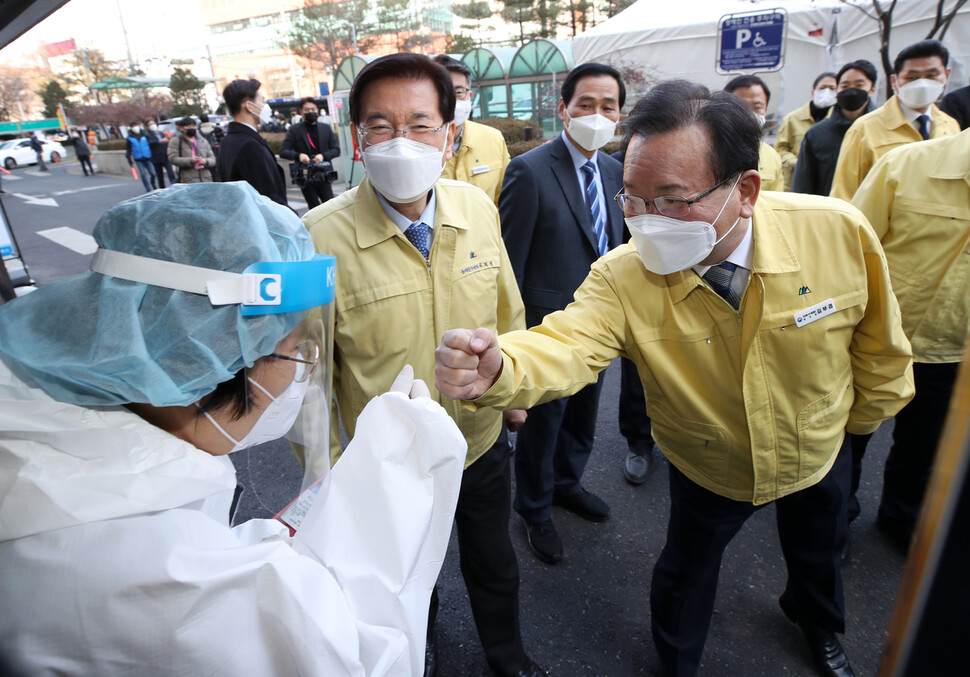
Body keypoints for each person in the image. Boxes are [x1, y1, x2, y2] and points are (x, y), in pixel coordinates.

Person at [435, 80, 915, 677]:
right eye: (631, 198)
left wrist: (848, 432)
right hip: (708, 463)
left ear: (745, 190)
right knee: (686, 571)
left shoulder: (837, 232)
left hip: (818, 450)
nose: (645, 221)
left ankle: (820, 628)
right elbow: (568, 342)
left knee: (819, 554)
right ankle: (676, 658)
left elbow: (881, 351)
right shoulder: (622, 274)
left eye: (671, 198)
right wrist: (502, 365)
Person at [0, 182, 467, 676]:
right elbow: (352, 656)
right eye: (293, 348)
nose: (302, 371)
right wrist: (399, 479)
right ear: (207, 362)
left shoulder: (47, 417)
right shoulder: (161, 574)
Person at [303, 53, 546, 677]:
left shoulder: (476, 207)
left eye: (418, 124)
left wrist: (515, 392)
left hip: (478, 437)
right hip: (386, 458)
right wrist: (327, 471)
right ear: (358, 140)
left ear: (449, 134)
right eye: (380, 126)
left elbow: (509, 310)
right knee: (404, 573)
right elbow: (308, 378)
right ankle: (417, 651)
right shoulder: (316, 237)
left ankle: (508, 655)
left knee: (494, 560)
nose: (400, 140)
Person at [499, 62, 626, 565]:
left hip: (599, 326)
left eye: (608, 106)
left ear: (620, 113)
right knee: (542, 424)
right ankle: (533, 507)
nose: (597, 114)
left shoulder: (617, 170)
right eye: (586, 104)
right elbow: (509, 263)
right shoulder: (529, 171)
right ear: (563, 109)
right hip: (547, 328)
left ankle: (566, 484)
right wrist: (515, 338)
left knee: (583, 415)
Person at [850, 128, 970, 553]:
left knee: (923, 447)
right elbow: (852, 247)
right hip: (877, 338)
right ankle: (835, 521)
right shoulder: (907, 165)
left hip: (953, 350)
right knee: (851, 435)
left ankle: (900, 519)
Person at [830, 39, 960, 201]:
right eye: (912, 77)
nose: (922, 84)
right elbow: (844, 193)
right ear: (894, 81)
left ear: (946, 76)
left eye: (931, 75)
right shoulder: (865, 128)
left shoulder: (950, 126)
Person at [792, 60, 878, 197]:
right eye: (845, 86)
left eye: (859, 85)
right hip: (829, 213)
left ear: (872, 89)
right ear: (837, 90)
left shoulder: (884, 130)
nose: (852, 90)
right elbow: (803, 185)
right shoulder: (817, 134)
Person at [434, 55, 510, 205]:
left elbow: (506, 198)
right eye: (441, 92)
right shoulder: (414, 144)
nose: (450, 100)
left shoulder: (493, 139)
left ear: (469, 96)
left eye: (458, 92)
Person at [217, 78, 289, 207]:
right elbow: (266, 199)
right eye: (262, 101)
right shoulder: (249, 145)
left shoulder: (228, 140)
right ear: (249, 106)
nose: (266, 106)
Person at [774, 72, 837, 190]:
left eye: (832, 88)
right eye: (823, 88)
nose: (827, 92)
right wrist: (798, 163)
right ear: (813, 92)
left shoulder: (838, 122)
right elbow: (780, 150)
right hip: (795, 183)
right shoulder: (793, 118)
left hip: (827, 184)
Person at [724, 75, 784, 191]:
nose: (749, 114)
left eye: (757, 107)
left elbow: (777, 199)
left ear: (765, 109)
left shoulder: (772, 156)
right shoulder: (708, 149)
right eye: (741, 107)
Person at [279, 96, 341, 209]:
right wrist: (298, 156)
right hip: (305, 174)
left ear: (317, 110)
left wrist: (323, 156)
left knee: (331, 206)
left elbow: (336, 150)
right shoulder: (294, 129)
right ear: (301, 112)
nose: (310, 112)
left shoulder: (325, 128)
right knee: (313, 207)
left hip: (324, 173)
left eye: (313, 109)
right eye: (307, 110)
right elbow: (283, 151)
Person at [167, 117, 216, 183]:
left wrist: (206, 161)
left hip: (206, 179)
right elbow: (172, 158)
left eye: (193, 126)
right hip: (188, 180)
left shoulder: (203, 141)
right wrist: (190, 160)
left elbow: (213, 158)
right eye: (188, 126)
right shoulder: (176, 141)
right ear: (181, 128)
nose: (191, 128)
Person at [125, 121, 156, 192]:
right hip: (138, 159)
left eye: (136, 125)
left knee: (153, 173)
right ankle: (148, 188)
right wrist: (129, 160)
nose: (135, 128)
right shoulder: (129, 138)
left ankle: (153, 183)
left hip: (148, 157)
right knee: (143, 174)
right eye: (133, 126)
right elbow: (128, 150)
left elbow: (150, 145)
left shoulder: (145, 135)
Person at [146, 118, 176, 188]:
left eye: (153, 123)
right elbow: (151, 143)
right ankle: (162, 189)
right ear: (147, 127)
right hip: (156, 158)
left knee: (171, 173)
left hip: (165, 156)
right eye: (150, 124)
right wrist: (160, 141)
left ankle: (174, 186)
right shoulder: (148, 135)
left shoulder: (160, 133)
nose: (152, 125)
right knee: (160, 176)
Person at [197, 112, 223, 180]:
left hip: (203, 152)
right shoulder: (215, 128)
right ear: (208, 119)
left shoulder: (198, 131)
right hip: (215, 149)